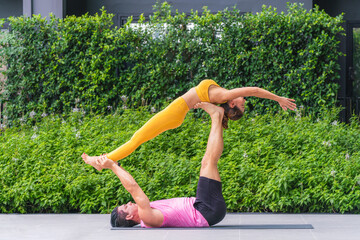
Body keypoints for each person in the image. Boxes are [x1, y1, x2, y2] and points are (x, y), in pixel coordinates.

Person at [82, 79, 296, 170]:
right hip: (177, 114)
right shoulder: (220, 97)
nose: (244, 100)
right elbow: (202, 100)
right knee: (138, 138)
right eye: (244, 102)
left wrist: (278, 99)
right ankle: (105, 160)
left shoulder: (224, 94)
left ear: (233, 103)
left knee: (136, 138)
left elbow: (255, 90)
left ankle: (100, 161)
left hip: (176, 112)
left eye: (242, 103)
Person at [84, 102, 232, 228]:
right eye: (126, 206)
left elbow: (130, 185)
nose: (128, 203)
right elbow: (133, 188)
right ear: (129, 217)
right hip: (206, 210)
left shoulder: (147, 213)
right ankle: (216, 116)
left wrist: (114, 164)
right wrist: (112, 167)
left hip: (204, 207)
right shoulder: (147, 217)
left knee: (208, 162)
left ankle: (217, 116)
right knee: (208, 162)